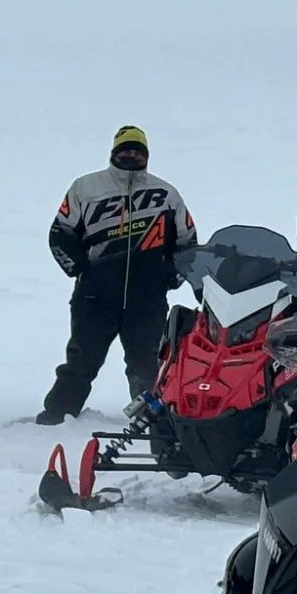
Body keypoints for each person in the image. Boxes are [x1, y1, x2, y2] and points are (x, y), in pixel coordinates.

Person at [38, 126, 196, 426]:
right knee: (82, 360)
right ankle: (56, 416)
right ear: (113, 153)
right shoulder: (85, 187)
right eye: (125, 149)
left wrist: (171, 276)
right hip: (94, 296)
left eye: (138, 149)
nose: (131, 154)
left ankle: (153, 422)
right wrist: (80, 269)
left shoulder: (166, 193)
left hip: (147, 297)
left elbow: (188, 241)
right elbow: (59, 234)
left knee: (148, 363)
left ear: (146, 155)